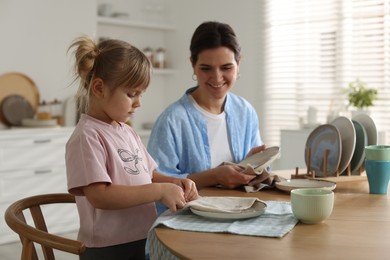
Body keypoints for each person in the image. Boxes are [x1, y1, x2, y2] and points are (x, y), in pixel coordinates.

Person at [65, 36, 198, 260]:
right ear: (99, 87)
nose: (138, 103)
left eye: (140, 94)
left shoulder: (127, 131)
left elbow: (149, 175)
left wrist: (174, 182)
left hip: (140, 236)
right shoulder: (87, 136)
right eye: (131, 94)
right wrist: (160, 191)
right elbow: (100, 196)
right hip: (107, 248)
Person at [147, 21, 265, 213]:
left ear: (238, 64)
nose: (217, 78)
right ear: (193, 65)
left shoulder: (245, 112)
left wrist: (252, 165)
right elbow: (156, 183)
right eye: (206, 68)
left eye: (226, 67)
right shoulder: (172, 120)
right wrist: (214, 176)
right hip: (186, 222)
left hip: (239, 215)